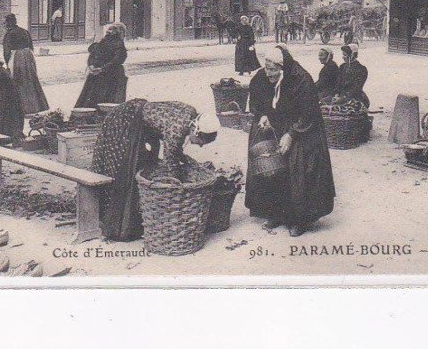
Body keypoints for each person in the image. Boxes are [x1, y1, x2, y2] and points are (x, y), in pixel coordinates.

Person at [92, 102, 219, 241]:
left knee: (143, 164)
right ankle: (112, 221)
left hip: (138, 117)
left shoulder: (190, 114)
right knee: (122, 170)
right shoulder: (178, 129)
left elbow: (174, 148)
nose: (200, 146)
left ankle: (134, 215)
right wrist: (176, 190)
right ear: (195, 130)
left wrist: (189, 162)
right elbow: (170, 162)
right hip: (124, 121)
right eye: (200, 141)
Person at [245, 45, 335, 237]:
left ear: (282, 67)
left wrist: (291, 134)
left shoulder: (302, 79)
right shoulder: (263, 76)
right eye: (267, 68)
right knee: (270, 165)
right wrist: (262, 114)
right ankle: (276, 213)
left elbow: (308, 113)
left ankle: (299, 220)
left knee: (297, 165)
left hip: (303, 126)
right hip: (276, 122)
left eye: (272, 70)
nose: (268, 73)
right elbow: (258, 98)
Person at [75, 23, 128, 108]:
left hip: (96, 75)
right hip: (113, 75)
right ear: (121, 33)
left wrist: (92, 66)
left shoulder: (100, 42)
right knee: (110, 101)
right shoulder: (119, 44)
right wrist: (102, 69)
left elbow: (92, 56)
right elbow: (118, 60)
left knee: (91, 99)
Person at [3, 14, 48, 115]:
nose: (5, 25)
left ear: (8, 23)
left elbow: (6, 52)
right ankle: (36, 106)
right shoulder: (25, 31)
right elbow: (31, 47)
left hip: (17, 57)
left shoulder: (9, 34)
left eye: (5, 23)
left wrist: (7, 64)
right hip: (28, 56)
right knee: (31, 80)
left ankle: (22, 108)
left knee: (18, 81)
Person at [334, 43, 370, 109]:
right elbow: (338, 83)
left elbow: (357, 88)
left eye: (345, 55)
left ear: (352, 55)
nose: (343, 57)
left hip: (355, 97)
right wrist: (336, 94)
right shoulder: (342, 67)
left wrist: (343, 98)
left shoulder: (361, 69)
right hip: (341, 96)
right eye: (343, 55)